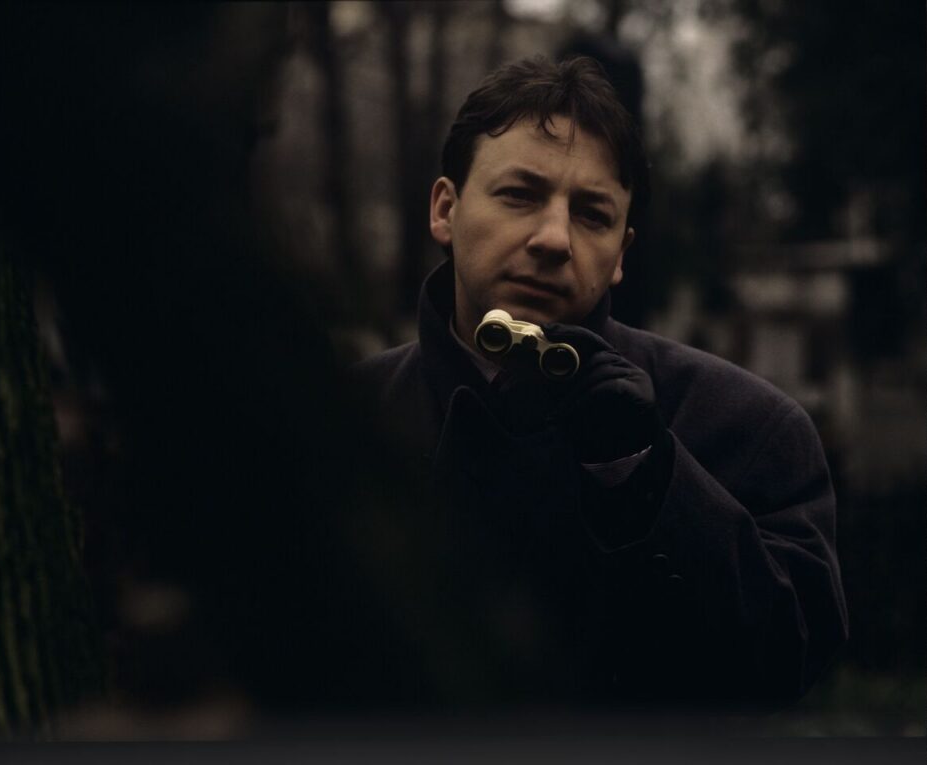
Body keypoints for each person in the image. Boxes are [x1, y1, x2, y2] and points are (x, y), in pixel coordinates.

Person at [352, 55, 847, 712]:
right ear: (446, 210)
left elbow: (790, 662)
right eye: (520, 194)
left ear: (621, 252)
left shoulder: (749, 427)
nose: (555, 238)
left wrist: (652, 480)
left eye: (591, 214)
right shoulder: (345, 415)